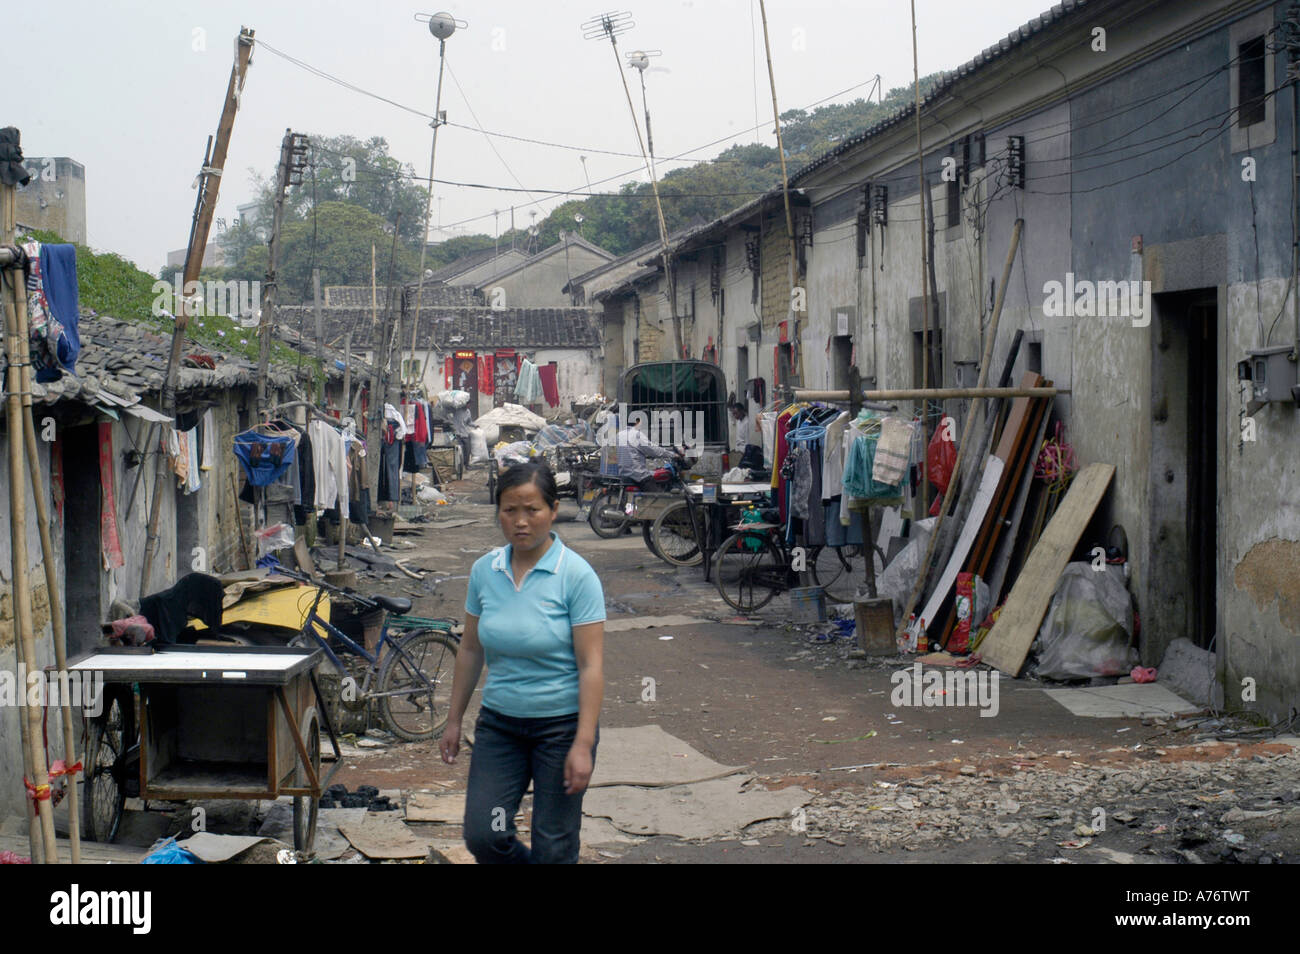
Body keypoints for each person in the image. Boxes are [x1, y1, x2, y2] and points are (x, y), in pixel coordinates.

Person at [440, 462, 605, 864]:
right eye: (509, 510)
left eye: (532, 510)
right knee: (487, 832)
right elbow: (471, 649)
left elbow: (591, 666)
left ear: (553, 510)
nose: (520, 522)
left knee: (554, 844)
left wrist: (583, 744)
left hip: (560, 731)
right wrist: (454, 719)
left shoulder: (576, 576)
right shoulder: (485, 571)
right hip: (501, 731)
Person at [615, 416, 676, 492]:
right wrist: (672, 454)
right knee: (658, 496)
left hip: (623, 473)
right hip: (637, 474)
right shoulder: (637, 434)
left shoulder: (619, 435)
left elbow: (631, 449)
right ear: (637, 422)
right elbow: (652, 449)